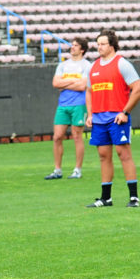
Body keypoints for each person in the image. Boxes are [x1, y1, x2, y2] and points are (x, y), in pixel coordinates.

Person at [84, 30, 140, 208]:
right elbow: (89, 91)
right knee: (103, 156)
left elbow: (139, 88)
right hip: (99, 120)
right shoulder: (93, 66)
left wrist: (124, 112)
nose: (99, 47)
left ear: (112, 45)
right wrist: (90, 114)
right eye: (98, 44)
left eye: (102, 44)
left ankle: (134, 197)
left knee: (123, 154)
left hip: (117, 118)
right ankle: (106, 198)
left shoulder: (122, 64)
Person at [45, 37, 90, 181]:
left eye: (76, 45)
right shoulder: (63, 65)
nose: (72, 47)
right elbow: (55, 83)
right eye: (72, 45)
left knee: (77, 136)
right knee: (57, 137)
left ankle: (77, 169)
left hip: (79, 104)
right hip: (63, 104)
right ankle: (57, 170)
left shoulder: (87, 65)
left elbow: (82, 86)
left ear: (82, 49)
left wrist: (64, 83)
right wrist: (73, 81)